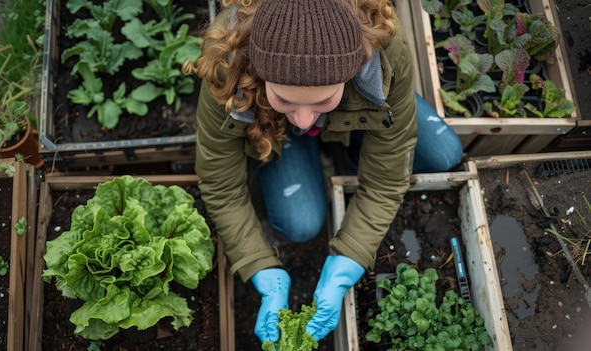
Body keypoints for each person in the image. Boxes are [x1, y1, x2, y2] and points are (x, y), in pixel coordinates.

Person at [184, 0, 463, 344]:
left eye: (321, 100)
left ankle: (347, 148)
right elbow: (220, 183)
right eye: (285, 99)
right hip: (275, 133)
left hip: (360, 104)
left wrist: (352, 253)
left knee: (446, 153)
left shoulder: (385, 46)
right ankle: (316, 127)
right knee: (300, 222)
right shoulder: (230, 60)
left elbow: (389, 173)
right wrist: (258, 263)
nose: (303, 118)